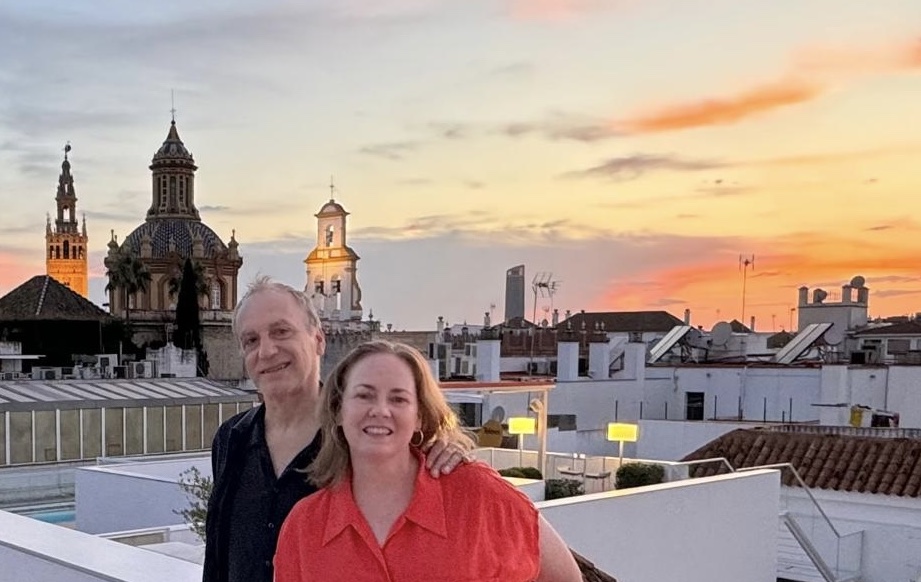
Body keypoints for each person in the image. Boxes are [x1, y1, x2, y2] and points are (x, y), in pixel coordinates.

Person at [203, 278, 467, 582]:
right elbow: (219, 553)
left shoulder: (360, 436)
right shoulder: (231, 438)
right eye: (251, 340)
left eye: (281, 332)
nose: (266, 351)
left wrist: (446, 447)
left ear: (318, 340)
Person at [274, 340, 582, 582]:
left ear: (419, 417)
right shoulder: (304, 528)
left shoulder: (480, 496)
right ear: (339, 411)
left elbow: (566, 578)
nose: (380, 410)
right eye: (364, 395)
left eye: (398, 399)